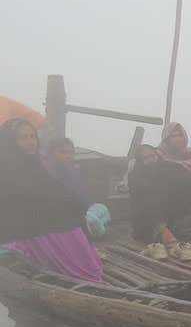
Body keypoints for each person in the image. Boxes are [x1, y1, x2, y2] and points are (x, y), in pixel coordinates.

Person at [0, 118, 102, 282]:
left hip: (52, 226)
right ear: (10, 141)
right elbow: (23, 205)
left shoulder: (35, 164)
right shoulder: (7, 170)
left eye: (32, 136)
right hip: (29, 231)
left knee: (74, 221)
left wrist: (76, 209)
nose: (30, 142)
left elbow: (58, 193)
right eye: (23, 137)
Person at [128, 144, 191, 261]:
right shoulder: (136, 176)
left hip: (173, 214)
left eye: (152, 155)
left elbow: (189, 188)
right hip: (151, 216)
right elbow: (142, 203)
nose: (151, 159)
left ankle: (180, 246)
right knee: (154, 225)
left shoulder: (170, 168)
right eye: (146, 158)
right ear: (140, 161)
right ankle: (170, 244)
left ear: (157, 155)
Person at [41, 137, 110, 239]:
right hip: (55, 226)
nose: (69, 156)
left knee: (102, 210)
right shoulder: (43, 175)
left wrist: (91, 210)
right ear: (50, 154)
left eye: (71, 152)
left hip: (79, 219)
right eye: (63, 152)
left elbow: (84, 199)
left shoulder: (74, 173)